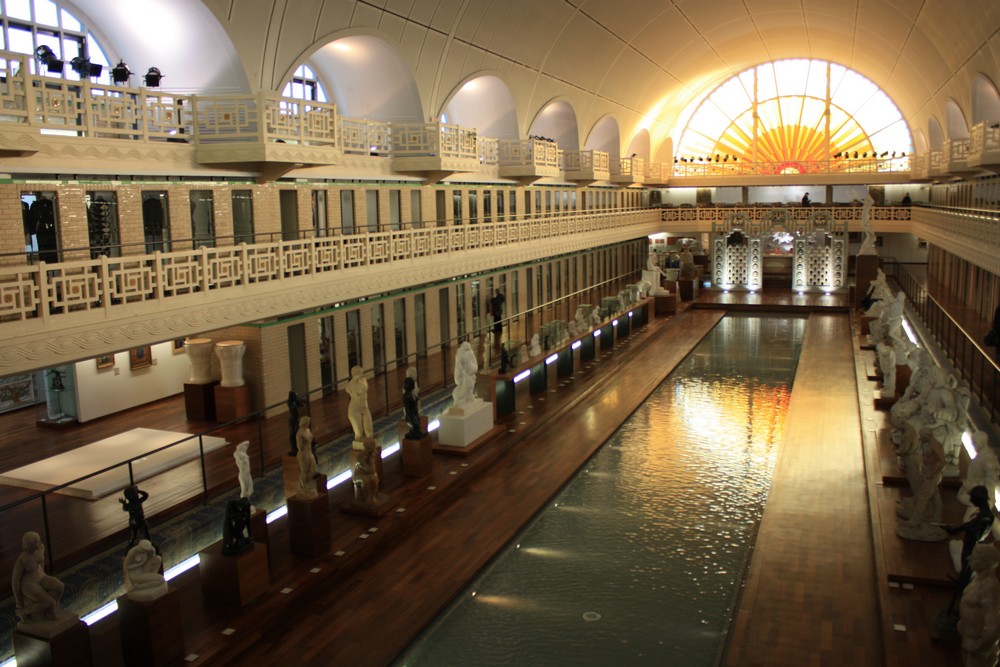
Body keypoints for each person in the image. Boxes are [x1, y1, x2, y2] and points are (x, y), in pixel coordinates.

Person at [12, 531, 65, 627]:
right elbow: (15, 581)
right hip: (29, 584)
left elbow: (41, 564)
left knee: (59, 586)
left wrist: (46, 577)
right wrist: (19, 603)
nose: (38, 543)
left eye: (38, 541)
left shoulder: (40, 548)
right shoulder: (22, 560)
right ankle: (24, 612)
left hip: (41, 576)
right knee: (50, 602)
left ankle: (48, 611)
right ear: (28, 545)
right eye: (35, 542)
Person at [119, 484, 152, 551]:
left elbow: (125, 509)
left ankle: (130, 544)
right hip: (140, 520)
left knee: (133, 535)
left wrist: (124, 503)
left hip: (133, 522)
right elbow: (146, 495)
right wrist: (139, 491)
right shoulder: (138, 501)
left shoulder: (130, 505)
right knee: (145, 533)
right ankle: (149, 544)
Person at [347, 366, 373, 442]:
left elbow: (364, 388)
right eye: (359, 373)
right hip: (355, 410)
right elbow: (355, 390)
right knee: (359, 435)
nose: (361, 374)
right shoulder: (350, 385)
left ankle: (370, 449)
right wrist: (355, 379)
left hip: (365, 408)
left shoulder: (364, 380)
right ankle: (363, 451)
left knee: (369, 433)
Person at [295, 416, 318, 498]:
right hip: (303, 454)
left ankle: (304, 484)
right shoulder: (299, 434)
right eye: (308, 422)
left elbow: (311, 438)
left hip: (310, 452)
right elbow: (299, 447)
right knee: (304, 470)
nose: (309, 423)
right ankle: (303, 486)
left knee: (313, 469)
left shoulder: (308, 430)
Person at [233, 440, 253, 508]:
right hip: (243, 474)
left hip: (248, 474)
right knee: (244, 490)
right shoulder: (239, 456)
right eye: (245, 446)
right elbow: (241, 467)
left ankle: (248, 503)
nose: (246, 448)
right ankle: (243, 504)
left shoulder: (244, 455)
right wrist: (242, 461)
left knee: (250, 489)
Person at [286, 390, 306, 455]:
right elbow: (293, 407)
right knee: (292, 436)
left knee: (296, 434)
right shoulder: (290, 403)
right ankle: (294, 450)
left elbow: (302, 404)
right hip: (293, 420)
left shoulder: (295, 401)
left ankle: (296, 448)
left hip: (296, 419)